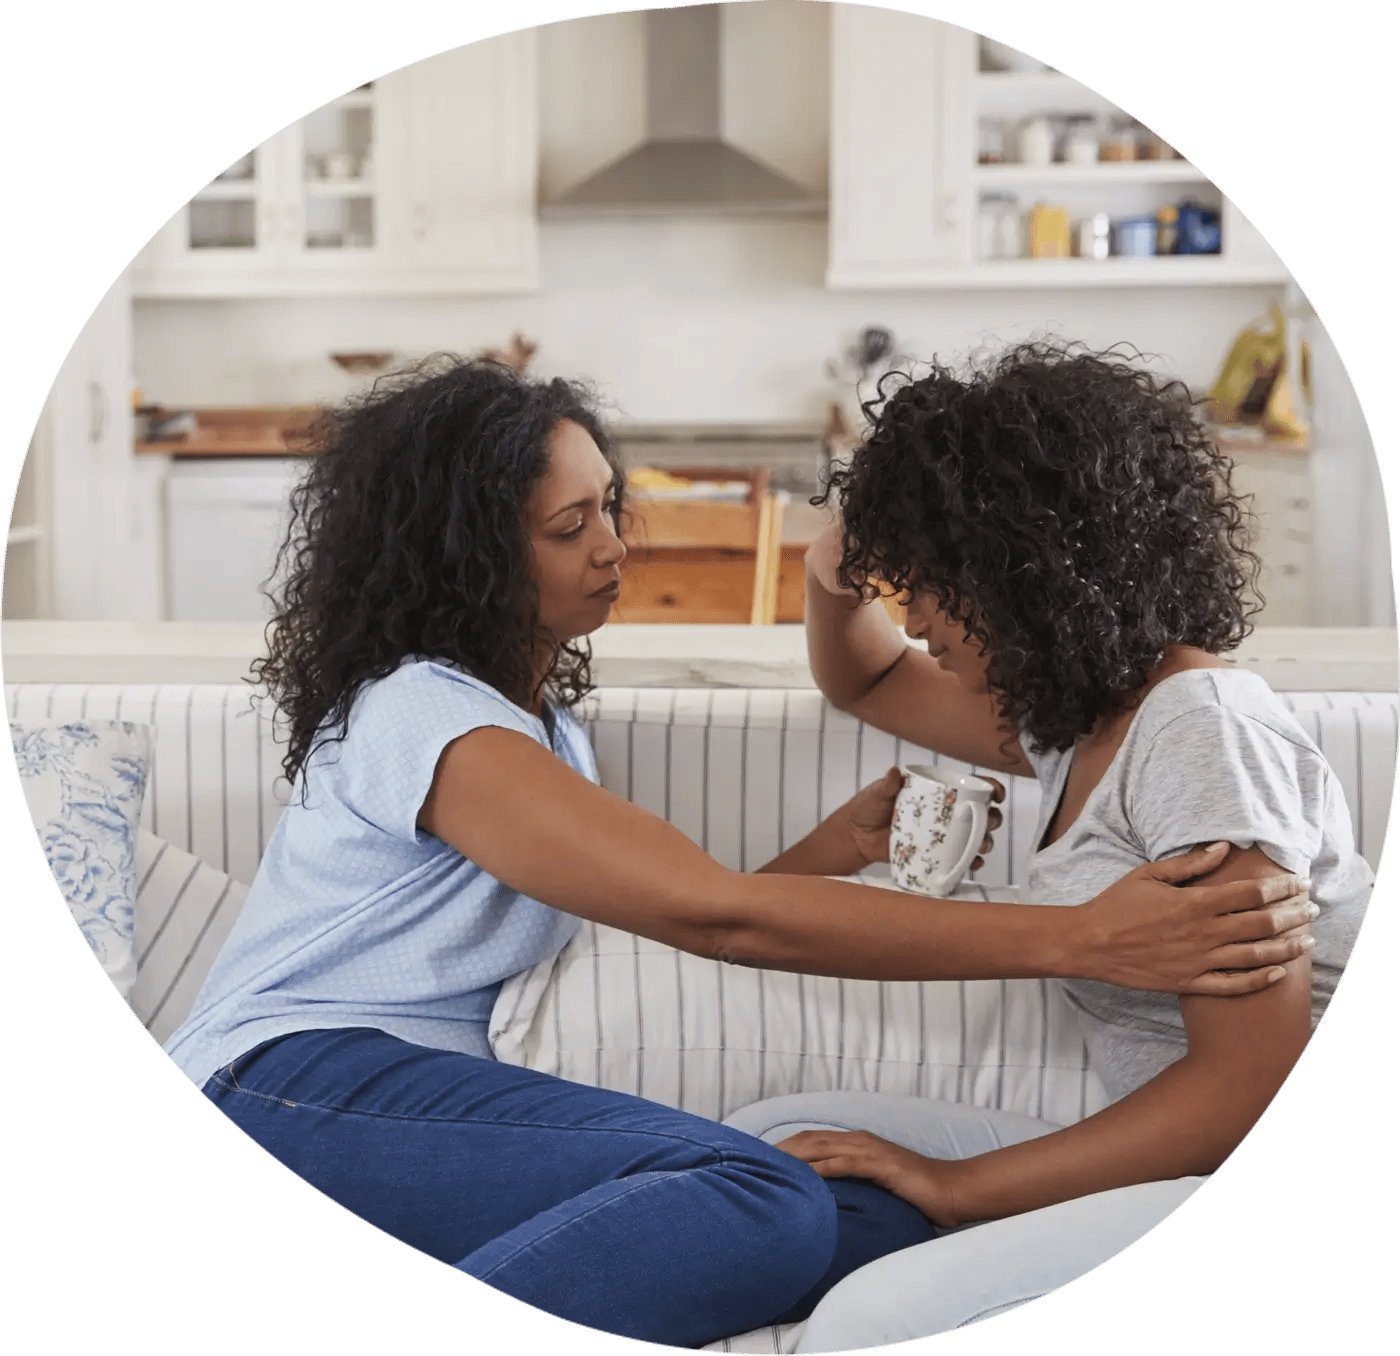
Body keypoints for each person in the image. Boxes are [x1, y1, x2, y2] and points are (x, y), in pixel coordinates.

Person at [160, 356, 1314, 1350]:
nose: (615, 546)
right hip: (294, 1085)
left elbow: (720, 888)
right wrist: (1081, 938)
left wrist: (824, 828)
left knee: (831, 1199)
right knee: (758, 1189)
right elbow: (711, 916)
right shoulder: (427, 714)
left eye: (611, 505)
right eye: (571, 527)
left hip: (437, 1117)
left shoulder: (543, 733)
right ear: (464, 556)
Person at [723, 340, 1373, 1352]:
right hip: (1191, 1154)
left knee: (870, 1322)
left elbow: (1250, 1087)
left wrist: (953, 1188)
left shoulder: (1198, 729)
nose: (914, 606)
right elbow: (867, 682)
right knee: (768, 1141)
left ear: (1025, 569)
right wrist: (829, 570)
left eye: (934, 578)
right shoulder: (1083, 718)